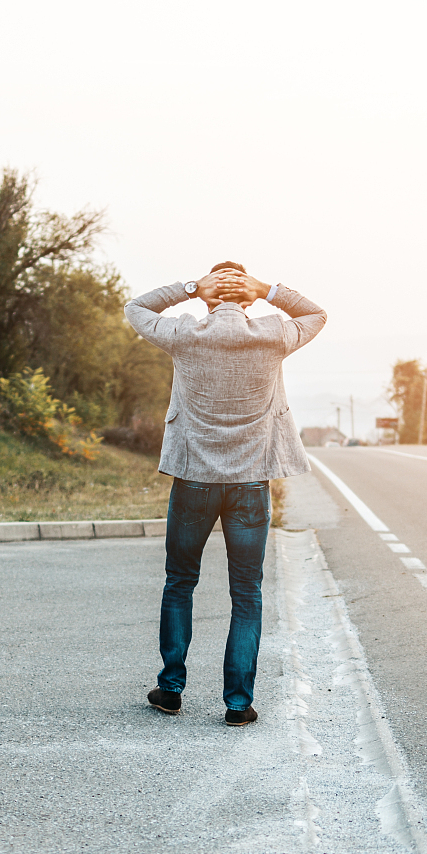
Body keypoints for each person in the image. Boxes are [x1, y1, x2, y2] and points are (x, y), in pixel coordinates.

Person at [125, 262, 326, 725]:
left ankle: (171, 689)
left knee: (180, 583)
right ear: (248, 299)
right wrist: (268, 289)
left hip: (194, 480)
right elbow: (316, 315)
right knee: (247, 594)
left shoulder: (183, 334)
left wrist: (190, 287)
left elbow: (135, 308)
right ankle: (238, 703)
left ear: (207, 298)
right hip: (251, 484)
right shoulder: (273, 334)